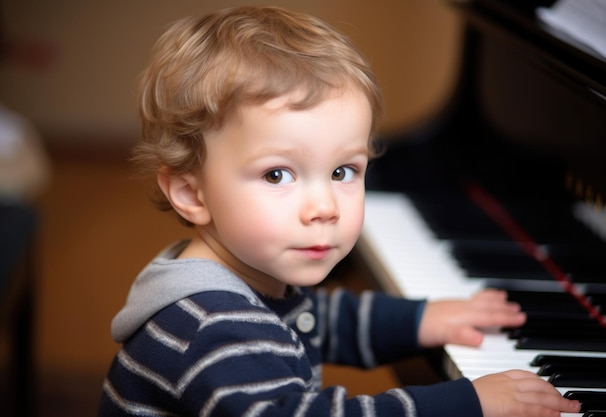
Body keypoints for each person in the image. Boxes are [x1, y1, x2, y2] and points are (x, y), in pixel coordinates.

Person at [97, 6, 580, 417]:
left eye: (343, 171)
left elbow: (321, 318)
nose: (324, 207)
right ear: (192, 194)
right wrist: (462, 403)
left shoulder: (241, 280)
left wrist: (420, 319)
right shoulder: (211, 326)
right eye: (277, 175)